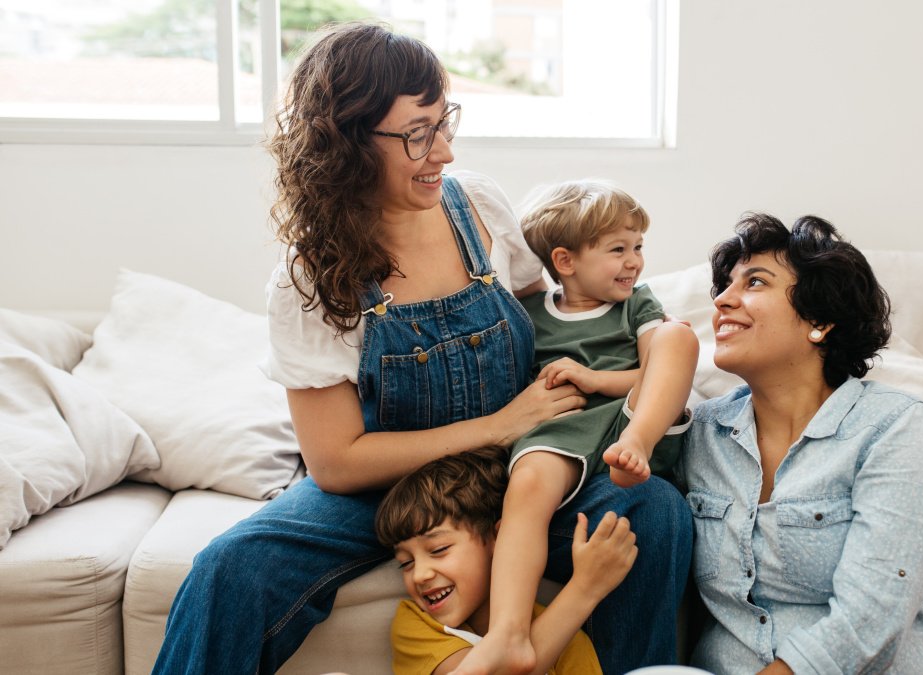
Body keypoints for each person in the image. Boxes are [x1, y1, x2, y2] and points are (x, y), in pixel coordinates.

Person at [150, 22, 691, 675]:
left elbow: (548, 326)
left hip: (522, 465)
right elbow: (336, 462)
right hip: (390, 485)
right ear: (346, 143)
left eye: (444, 122)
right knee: (230, 568)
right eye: (417, 134)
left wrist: (613, 386)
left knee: (652, 511)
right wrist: (494, 424)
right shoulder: (310, 278)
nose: (444, 152)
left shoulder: (481, 208)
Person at [678, 213, 923, 674]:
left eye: (754, 282)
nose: (723, 302)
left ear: (820, 319)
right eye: (724, 287)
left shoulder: (896, 426)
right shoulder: (704, 432)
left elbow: (871, 617)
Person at [453, 181, 699, 675]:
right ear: (564, 261)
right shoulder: (529, 315)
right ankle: (508, 634)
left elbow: (658, 373)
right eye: (618, 250)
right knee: (526, 488)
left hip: (631, 421)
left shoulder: (638, 305)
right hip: (562, 431)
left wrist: (597, 379)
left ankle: (638, 446)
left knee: (677, 335)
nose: (635, 262)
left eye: (638, 247)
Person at [375, 445, 636, 675]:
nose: (419, 575)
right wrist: (584, 590)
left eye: (438, 549)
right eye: (406, 563)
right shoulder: (415, 625)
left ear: (499, 538)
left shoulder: (566, 637)